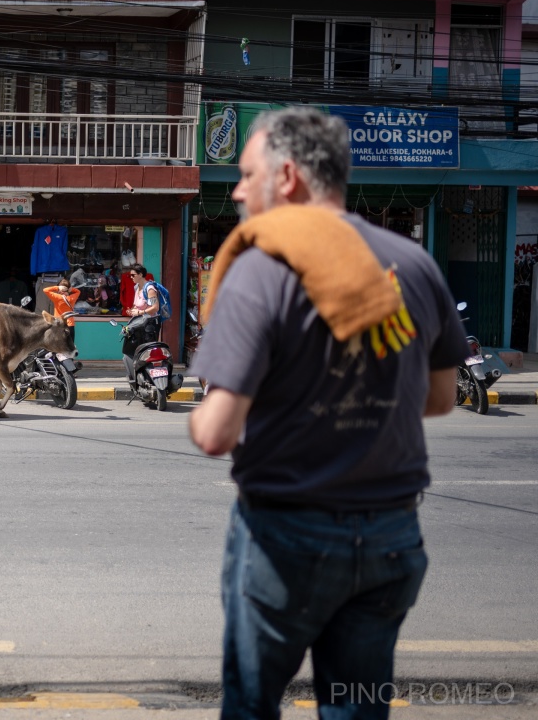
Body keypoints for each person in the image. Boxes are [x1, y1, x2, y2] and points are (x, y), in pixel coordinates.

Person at [188, 106, 469, 719]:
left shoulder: (262, 268)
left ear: (286, 176)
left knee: (252, 705)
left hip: (287, 537)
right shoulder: (414, 264)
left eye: (245, 174)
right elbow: (441, 398)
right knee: (358, 710)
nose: (236, 190)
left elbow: (215, 433)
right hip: (393, 537)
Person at [42, 278, 80, 343]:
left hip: (59, 324)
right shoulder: (72, 298)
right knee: (70, 347)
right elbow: (78, 291)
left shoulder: (57, 298)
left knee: (58, 347)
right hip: (70, 325)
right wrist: (71, 289)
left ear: (60, 289)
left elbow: (45, 290)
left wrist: (57, 288)